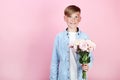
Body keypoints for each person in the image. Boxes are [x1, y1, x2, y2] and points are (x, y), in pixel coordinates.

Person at [50, 5, 93, 80]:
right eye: (70, 17)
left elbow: (90, 57)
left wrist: (87, 66)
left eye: (76, 17)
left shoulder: (85, 37)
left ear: (80, 19)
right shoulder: (59, 37)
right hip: (63, 77)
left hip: (79, 77)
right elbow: (54, 61)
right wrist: (53, 78)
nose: (73, 20)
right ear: (65, 18)